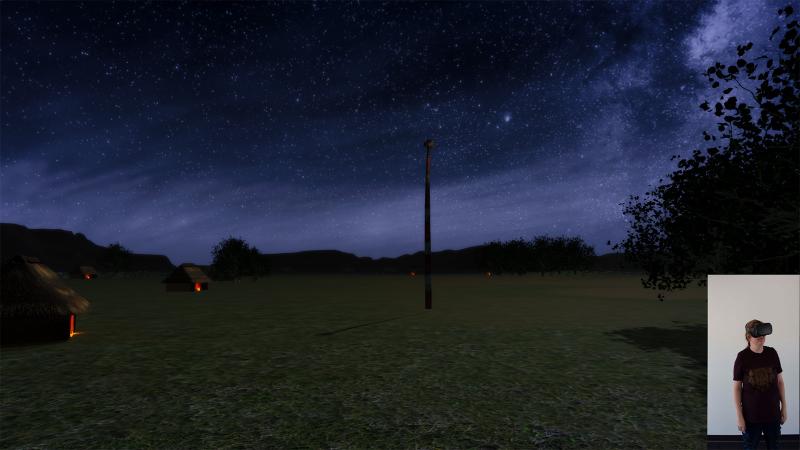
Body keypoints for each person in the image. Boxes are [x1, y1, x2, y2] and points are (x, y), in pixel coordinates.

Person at [732, 319, 788, 450]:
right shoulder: (742, 357)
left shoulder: (772, 353)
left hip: (773, 414)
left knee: (774, 447)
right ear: (748, 336)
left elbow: (780, 382)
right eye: (758, 334)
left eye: (763, 333)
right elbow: (736, 389)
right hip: (751, 416)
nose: (762, 337)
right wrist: (739, 416)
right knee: (750, 447)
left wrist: (784, 407)